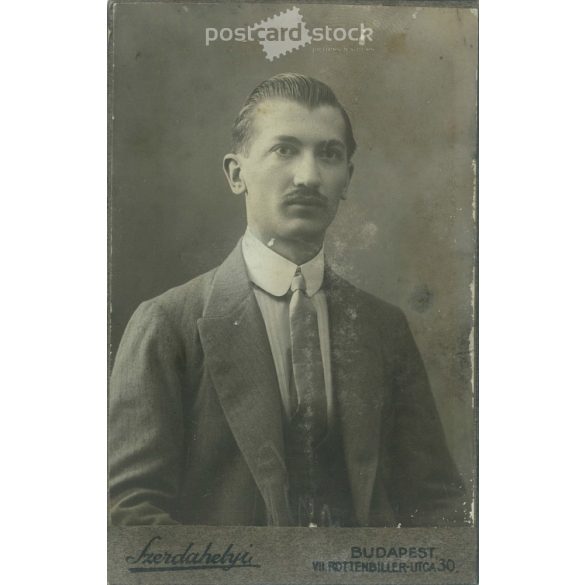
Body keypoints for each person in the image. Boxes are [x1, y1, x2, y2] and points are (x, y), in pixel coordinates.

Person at [108, 73, 465, 527]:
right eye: (285, 150)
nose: (309, 176)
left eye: (329, 155)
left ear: (347, 179)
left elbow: (438, 508)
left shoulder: (382, 328)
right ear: (237, 174)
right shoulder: (167, 324)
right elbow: (126, 515)